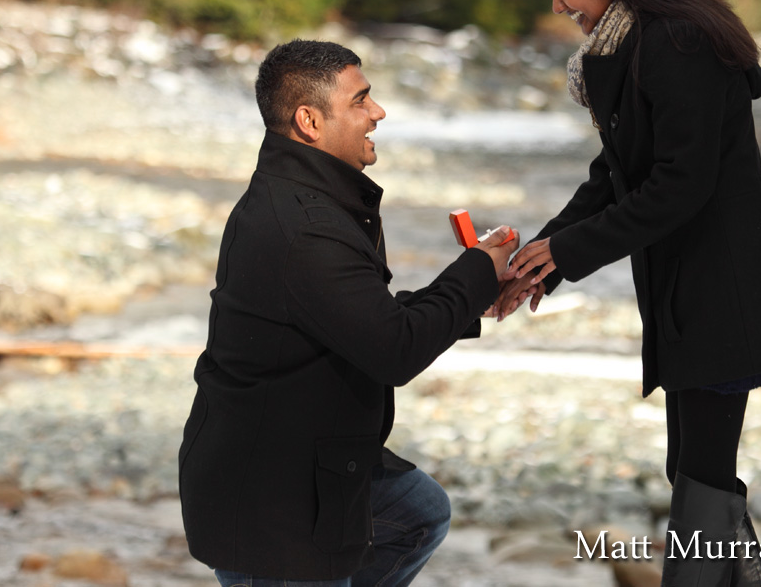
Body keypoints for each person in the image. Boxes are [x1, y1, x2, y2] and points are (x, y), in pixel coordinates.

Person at [496, 0, 761, 587]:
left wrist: (570, 252)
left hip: (725, 290)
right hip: (688, 293)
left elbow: (681, 184)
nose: (558, 7)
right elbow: (616, 175)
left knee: (701, 477)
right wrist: (543, 259)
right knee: (699, 473)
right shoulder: (628, 45)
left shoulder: (678, 42)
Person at [178, 39, 518, 586]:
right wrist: (476, 268)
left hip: (306, 461)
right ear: (310, 121)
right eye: (361, 101)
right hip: (276, 499)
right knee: (411, 515)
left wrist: (475, 294)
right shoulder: (305, 228)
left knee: (417, 513)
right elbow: (393, 349)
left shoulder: (312, 199)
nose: (378, 112)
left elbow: (363, 320)